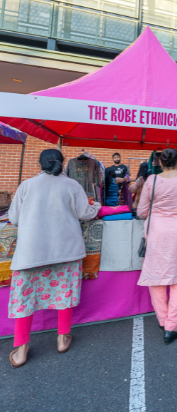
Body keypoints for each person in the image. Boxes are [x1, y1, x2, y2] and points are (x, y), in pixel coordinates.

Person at [7, 149, 101, 367]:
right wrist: (95, 206)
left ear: (40, 163)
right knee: (64, 292)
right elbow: (85, 213)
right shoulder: (72, 185)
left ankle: (21, 350)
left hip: (31, 253)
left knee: (24, 299)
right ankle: (62, 339)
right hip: (66, 250)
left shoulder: (27, 185)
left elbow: (13, 217)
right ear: (62, 163)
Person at [137, 148, 177, 345]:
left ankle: (163, 321)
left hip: (156, 231)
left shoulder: (152, 180)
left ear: (161, 162)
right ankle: (172, 325)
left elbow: (141, 212)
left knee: (156, 276)